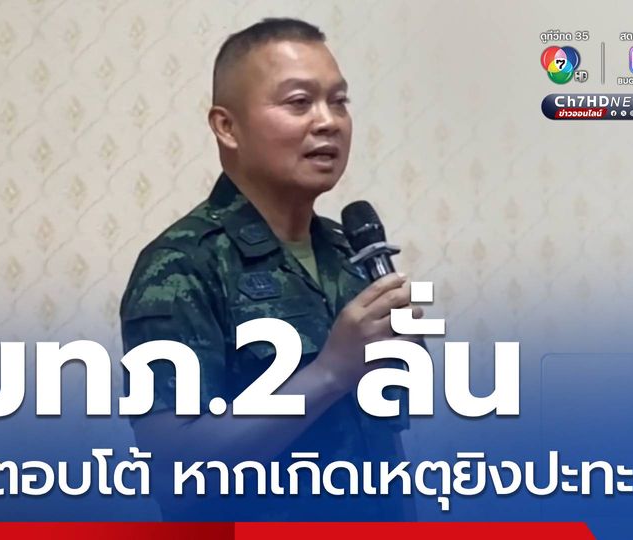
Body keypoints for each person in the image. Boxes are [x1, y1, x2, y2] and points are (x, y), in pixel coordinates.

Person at [120, 18, 420, 521]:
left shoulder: (348, 252)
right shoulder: (183, 265)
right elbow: (175, 473)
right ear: (227, 127)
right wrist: (329, 373)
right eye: (299, 102)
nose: (328, 121)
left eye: (339, 101)